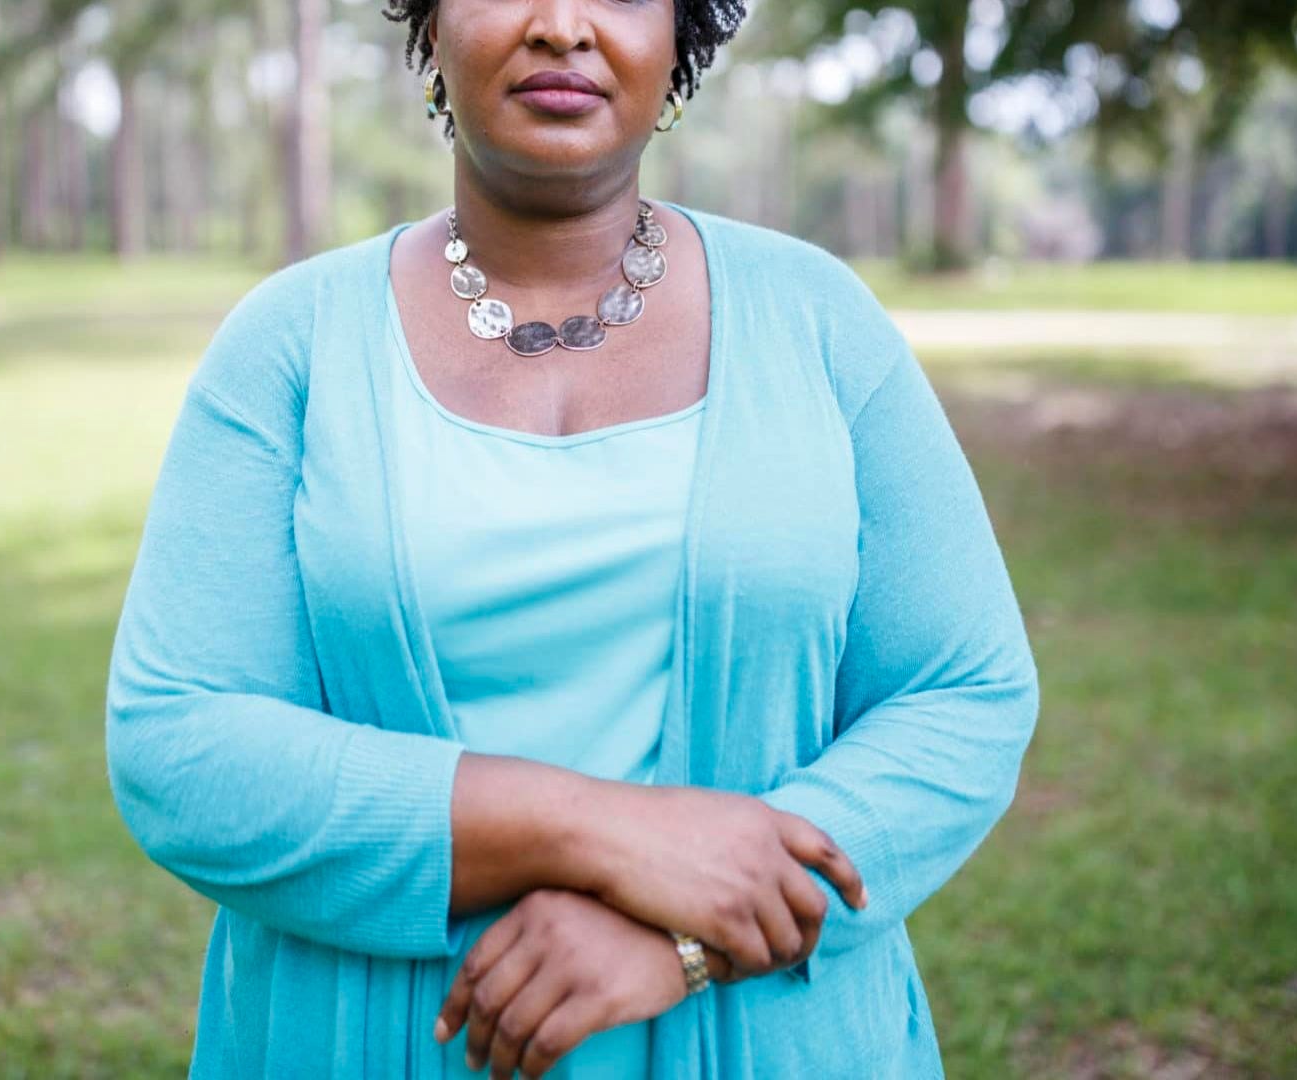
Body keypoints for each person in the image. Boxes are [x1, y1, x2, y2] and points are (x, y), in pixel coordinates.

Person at [102, 0, 1041, 1072]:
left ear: (683, 29)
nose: (562, 24)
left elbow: (965, 694)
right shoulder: (288, 345)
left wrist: (682, 934)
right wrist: (601, 833)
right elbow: (179, 744)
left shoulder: (821, 322)